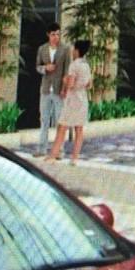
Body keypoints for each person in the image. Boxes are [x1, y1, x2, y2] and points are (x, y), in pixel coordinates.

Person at [46, 39, 91, 164]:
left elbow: (70, 84)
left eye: (73, 49)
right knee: (79, 129)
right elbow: (89, 85)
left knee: (62, 127)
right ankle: (74, 158)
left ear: (77, 50)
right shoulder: (86, 65)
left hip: (72, 100)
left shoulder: (74, 65)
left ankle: (52, 156)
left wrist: (65, 81)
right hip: (82, 99)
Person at [35, 23, 70, 156]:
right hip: (45, 89)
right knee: (44, 120)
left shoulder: (65, 49)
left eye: (58, 34)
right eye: (53, 34)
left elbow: (67, 71)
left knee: (59, 121)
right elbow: (38, 66)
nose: (56, 37)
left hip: (58, 90)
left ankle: (59, 150)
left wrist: (64, 89)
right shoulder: (42, 49)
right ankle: (42, 149)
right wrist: (45, 68)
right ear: (48, 35)